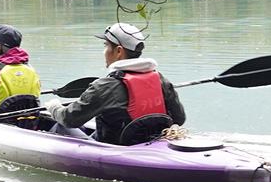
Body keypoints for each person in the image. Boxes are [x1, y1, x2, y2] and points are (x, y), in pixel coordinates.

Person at [47, 22, 185, 144]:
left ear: (119, 51)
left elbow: (69, 119)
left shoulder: (104, 86)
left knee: (61, 126)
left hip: (115, 148)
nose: (104, 51)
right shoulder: (160, 79)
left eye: (106, 45)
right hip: (150, 141)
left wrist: (54, 107)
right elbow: (179, 118)